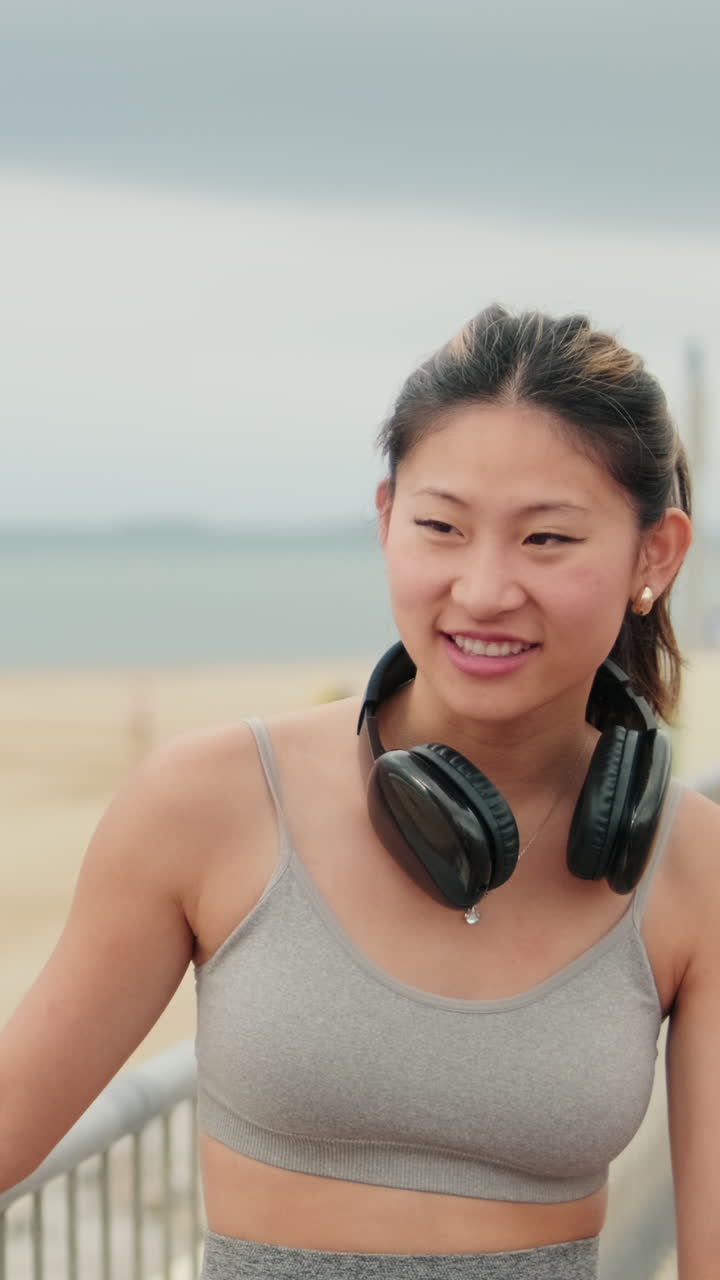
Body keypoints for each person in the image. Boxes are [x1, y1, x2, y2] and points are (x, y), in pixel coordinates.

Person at [0, 304, 714, 1280]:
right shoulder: (206, 801)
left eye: (546, 539)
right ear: (385, 521)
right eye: (441, 527)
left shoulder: (695, 866)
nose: (484, 587)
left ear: (655, 556)